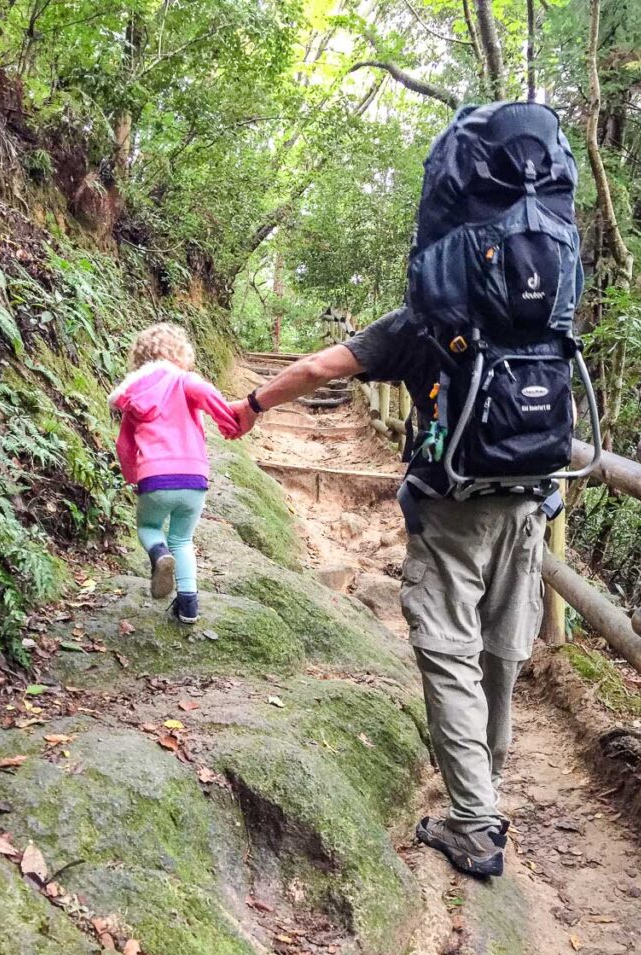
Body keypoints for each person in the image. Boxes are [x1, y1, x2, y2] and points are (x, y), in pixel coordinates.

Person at [231, 311, 546, 878]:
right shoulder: (539, 307)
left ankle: (474, 821)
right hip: (530, 508)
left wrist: (253, 405)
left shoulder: (427, 316)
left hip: (454, 507)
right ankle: (486, 789)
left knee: (450, 653)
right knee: (503, 649)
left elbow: (320, 367)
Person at [109, 323, 239, 624]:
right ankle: (189, 606)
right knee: (183, 540)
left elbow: (124, 446)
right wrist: (227, 421)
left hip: (154, 478)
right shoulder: (183, 380)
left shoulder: (134, 397)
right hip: (194, 477)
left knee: (149, 528)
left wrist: (134, 477)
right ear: (180, 353)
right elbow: (205, 391)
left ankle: (158, 555)